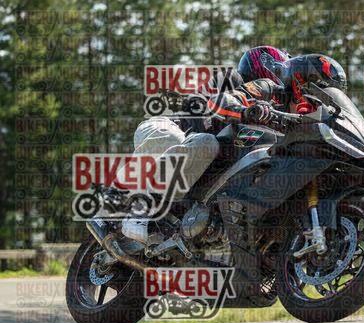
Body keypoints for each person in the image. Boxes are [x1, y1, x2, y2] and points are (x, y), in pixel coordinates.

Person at [122, 46, 347, 244]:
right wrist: (247, 110)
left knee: (212, 148)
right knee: (202, 143)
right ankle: (139, 207)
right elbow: (213, 103)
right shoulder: (237, 81)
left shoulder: (278, 110)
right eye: (278, 68)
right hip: (169, 128)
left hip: (200, 158)